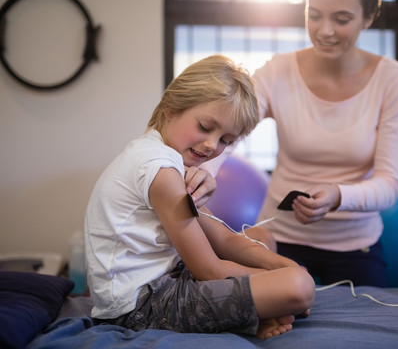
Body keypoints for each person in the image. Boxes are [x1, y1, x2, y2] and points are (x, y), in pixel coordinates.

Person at [84, 55, 315, 339]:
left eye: (225, 141)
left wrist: (287, 266)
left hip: (166, 280)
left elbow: (223, 238)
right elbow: (208, 269)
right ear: (171, 108)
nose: (211, 145)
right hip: (139, 307)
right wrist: (281, 280)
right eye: (206, 127)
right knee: (298, 287)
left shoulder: (166, 158)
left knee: (262, 238)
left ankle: (266, 309)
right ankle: (264, 312)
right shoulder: (159, 170)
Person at [250, 0, 398, 287]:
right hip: (278, 238)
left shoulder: (392, 79)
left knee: (368, 329)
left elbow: (389, 185)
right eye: (314, 16)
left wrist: (338, 195)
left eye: (342, 19)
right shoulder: (276, 71)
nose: (325, 31)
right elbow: (231, 127)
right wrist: (203, 169)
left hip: (355, 244)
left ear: (369, 18)